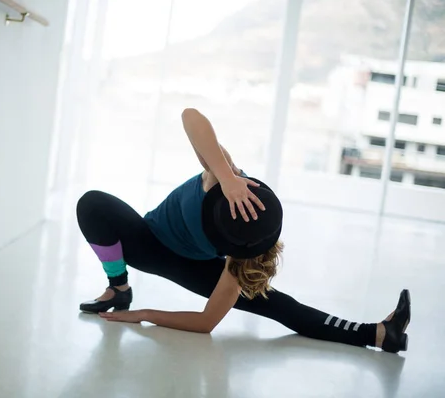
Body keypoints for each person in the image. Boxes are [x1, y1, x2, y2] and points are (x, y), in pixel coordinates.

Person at [76, 108, 411, 353]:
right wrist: (228, 175)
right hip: (148, 240)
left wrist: (145, 315)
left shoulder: (246, 254)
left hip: (188, 263)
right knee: (93, 204)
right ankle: (118, 287)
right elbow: (190, 116)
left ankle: (380, 334)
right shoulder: (219, 179)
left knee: (279, 305)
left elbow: (206, 323)